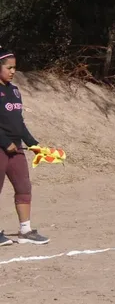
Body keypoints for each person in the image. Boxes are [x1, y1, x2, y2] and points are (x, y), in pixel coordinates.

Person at [0, 50, 48, 245]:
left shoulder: (15, 91)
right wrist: (4, 142)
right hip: (2, 148)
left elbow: (19, 124)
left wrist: (35, 145)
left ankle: (26, 230)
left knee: (23, 187)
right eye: (8, 67)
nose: (13, 71)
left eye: (14, 67)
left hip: (16, 149)